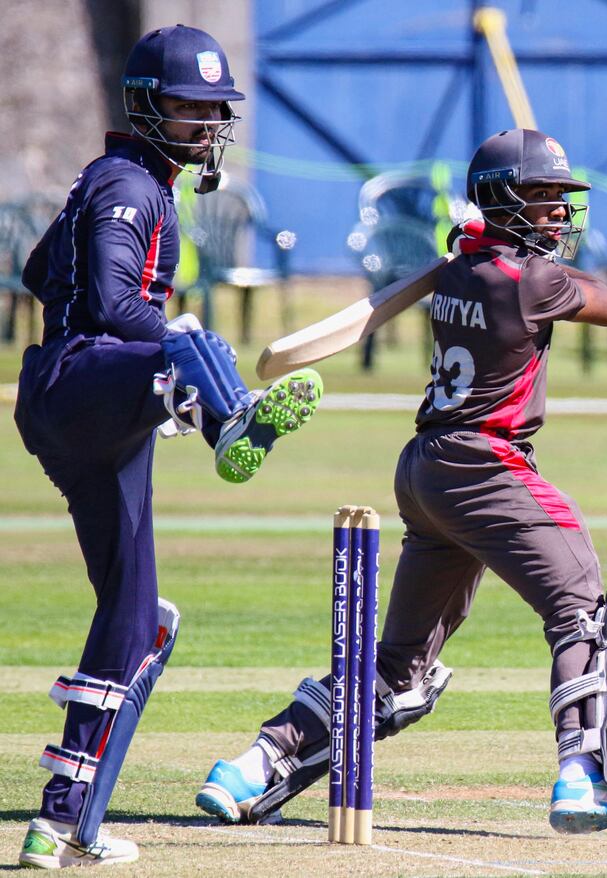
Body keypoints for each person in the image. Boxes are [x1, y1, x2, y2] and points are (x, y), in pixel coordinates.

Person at [195, 128, 607, 836]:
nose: (558, 215)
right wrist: (503, 249)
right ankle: (584, 777)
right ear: (498, 199)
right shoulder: (529, 280)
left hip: (426, 469)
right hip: (486, 464)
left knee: (400, 672)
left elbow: (499, 270)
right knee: (582, 607)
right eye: (542, 198)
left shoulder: (460, 271)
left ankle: (253, 763)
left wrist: (478, 245)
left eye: (560, 201)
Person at [14, 24, 322, 869]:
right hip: (83, 384)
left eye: (215, 109)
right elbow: (114, 305)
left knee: (137, 620)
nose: (207, 122)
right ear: (146, 105)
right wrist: (165, 350)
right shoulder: (126, 183)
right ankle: (231, 423)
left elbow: (44, 272)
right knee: (188, 339)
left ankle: (62, 820)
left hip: (92, 409)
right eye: (190, 107)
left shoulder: (120, 182)